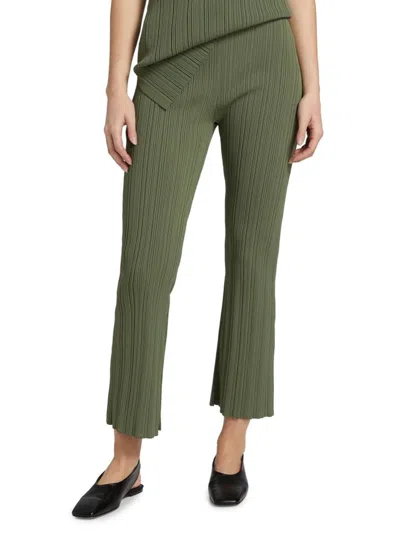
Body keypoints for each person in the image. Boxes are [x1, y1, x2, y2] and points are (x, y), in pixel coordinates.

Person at [72, 0, 323, 518]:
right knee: (144, 268)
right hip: (171, 67)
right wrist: (116, 87)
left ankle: (232, 444)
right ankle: (126, 458)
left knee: (254, 259)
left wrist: (313, 87)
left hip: (267, 59)